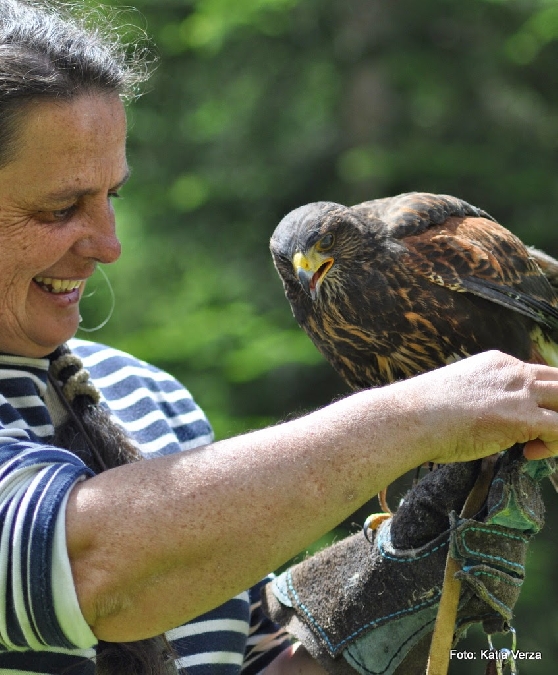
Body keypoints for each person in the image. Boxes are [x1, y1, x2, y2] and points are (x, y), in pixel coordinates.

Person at [0, 2, 557, 674]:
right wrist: (419, 418)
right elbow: (91, 566)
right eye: (61, 208)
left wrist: (384, 588)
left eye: (112, 196)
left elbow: (237, 658)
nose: (110, 245)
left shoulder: (154, 399)